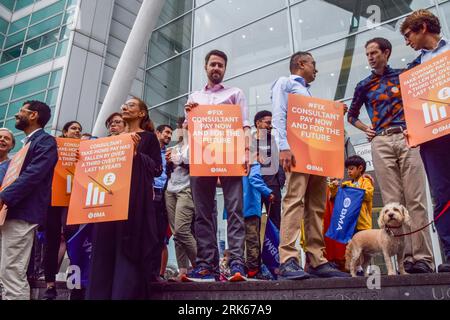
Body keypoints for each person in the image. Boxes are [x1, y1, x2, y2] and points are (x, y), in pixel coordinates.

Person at [347, 37, 434, 273]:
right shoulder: (363, 85)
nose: (370, 57)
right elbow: (351, 115)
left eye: (374, 53)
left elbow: (419, 101)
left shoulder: (403, 77)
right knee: (393, 203)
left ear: (386, 52)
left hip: (408, 137)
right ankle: (405, 260)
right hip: (381, 141)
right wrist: (366, 129)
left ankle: (423, 258)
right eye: (367, 54)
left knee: (416, 200)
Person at [272, 51, 350, 279]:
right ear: (301, 63)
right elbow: (279, 115)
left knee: (316, 205)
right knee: (294, 201)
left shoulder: (307, 93)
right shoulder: (285, 83)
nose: (316, 69)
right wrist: (283, 147)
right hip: (296, 153)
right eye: (313, 64)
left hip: (316, 156)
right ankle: (287, 259)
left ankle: (316, 258)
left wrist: (334, 113)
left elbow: (314, 122)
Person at [183, 49, 250, 282]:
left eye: (220, 65)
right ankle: (206, 264)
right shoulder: (194, 98)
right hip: (201, 160)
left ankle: (236, 263)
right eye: (213, 64)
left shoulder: (236, 93)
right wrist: (188, 116)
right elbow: (188, 130)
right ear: (205, 67)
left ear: (224, 69)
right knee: (202, 213)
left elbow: (245, 126)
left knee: (234, 210)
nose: (216, 68)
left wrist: (247, 152)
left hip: (230, 157)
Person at [87, 97, 162, 299]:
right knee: (104, 250)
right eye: (124, 105)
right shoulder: (111, 140)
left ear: (141, 113)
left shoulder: (148, 138)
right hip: (109, 202)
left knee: (127, 249)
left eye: (131, 105)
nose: (124, 107)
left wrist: (137, 154)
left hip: (134, 202)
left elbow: (157, 168)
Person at [401, 9, 450, 273]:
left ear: (422, 27)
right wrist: (413, 129)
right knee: (442, 195)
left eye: (408, 35)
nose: (406, 41)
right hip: (433, 141)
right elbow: (414, 107)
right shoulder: (413, 69)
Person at [0, 100, 58, 300]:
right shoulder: (28, 144)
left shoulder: (46, 142)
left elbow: (33, 175)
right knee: (7, 272)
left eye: (21, 111)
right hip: (12, 214)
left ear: (33, 115)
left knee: (12, 272)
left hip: (22, 215)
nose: (17, 115)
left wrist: (3, 197)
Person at [42, 121, 83, 300]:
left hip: (74, 202)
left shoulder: (85, 149)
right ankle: (50, 286)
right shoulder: (54, 147)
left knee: (74, 243)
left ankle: (75, 285)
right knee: (51, 242)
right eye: (74, 128)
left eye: (80, 130)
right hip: (53, 201)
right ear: (65, 132)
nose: (77, 131)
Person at [328, 155, 374, 275]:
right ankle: (357, 268)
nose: (349, 171)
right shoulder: (346, 184)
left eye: (352, 168)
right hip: (350, 223)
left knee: (366, 247)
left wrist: (351, 188)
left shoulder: (366, 181)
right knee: (354, 246)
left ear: (360, 168)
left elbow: (368, 195)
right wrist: (334, 185)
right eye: (348, 169)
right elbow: (334, 196)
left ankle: (366, 267)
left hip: (363, 222)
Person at [165, 117, 196, 281]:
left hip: (186, 189)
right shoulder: (175, 147)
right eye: (182, 124)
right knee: (176, 234)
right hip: (170, 190)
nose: (184, 126)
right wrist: (168, 162)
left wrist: (181, 161)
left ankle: (202, 267)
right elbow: (169, 171)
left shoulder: (197, 145)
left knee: (183, 230)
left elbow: (198, 167)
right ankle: (183, 271)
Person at [253, 110, 285, 230]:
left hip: (273, 186)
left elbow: (279, 161)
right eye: (268, 123)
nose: (270, 126)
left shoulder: (273, 140)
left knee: (275, 222)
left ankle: (275, 249)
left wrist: (279, 182)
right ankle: (255, 249)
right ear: (258, 123)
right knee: (254, 222)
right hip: (255, 187)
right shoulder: (249, 141)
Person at [154, 124, 173, 280]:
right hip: (149, 194)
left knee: (162, 236)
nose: (169, 135)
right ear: (157, 133)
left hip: (164, 195)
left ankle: (159, 274)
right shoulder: (149, 151)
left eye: (171, 133)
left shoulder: (170, 154)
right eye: (167, 132)